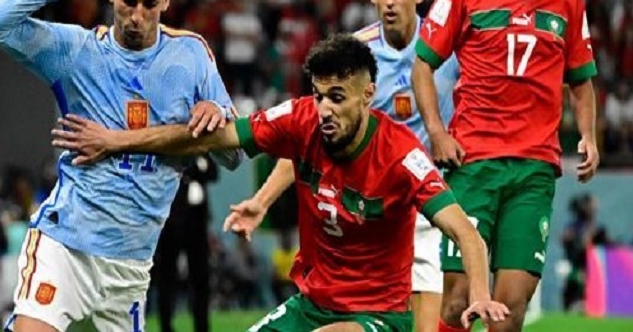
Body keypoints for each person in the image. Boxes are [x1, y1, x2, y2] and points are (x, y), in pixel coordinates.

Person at [52, 34, 510, 332]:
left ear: (368, 95)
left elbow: (466, 233)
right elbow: (212, 138)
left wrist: (480, 294)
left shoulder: (402, 155)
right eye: (319, 95)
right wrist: (116, 141)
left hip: (377, 317)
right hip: (309, 306)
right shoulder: (301, 118)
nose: (325, 109)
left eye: (337, 97)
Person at [0, 0, 240, 332]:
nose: (137, 15)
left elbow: (233, 156)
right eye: (128, 0)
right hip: (66, 246)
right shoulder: (77, 51)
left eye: (150, 3)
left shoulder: (191, 56)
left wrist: (216, 116)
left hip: (130, 266)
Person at [412, 0, 599, 332]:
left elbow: (581, 81)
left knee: (510, 309)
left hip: (533, 171)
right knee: (457, 302)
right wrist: (437, 132)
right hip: (473, 164)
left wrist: (588, 136)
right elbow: (422, 65)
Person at [262, 0, 460, 332]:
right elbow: (311, 136)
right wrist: (262, 200)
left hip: (431, 198)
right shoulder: (355, 60)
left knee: (444, 313)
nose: (390, 0)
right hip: (375, 210)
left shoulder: (447, 50)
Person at [152, 155, 217, 332]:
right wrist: (196, 168)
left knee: (201, 276)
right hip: (172, 222)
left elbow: (213, 173)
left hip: (198, 222)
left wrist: (198, 166)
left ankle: (202, 326)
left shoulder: (203, 152)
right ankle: (166, 325)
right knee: (167, 276)